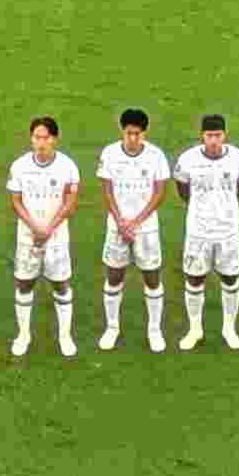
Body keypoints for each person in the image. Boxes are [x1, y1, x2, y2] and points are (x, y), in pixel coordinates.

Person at [170, 113, 239, 351]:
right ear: (202, 136)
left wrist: (226, 207)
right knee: (194, 278)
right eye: (209, 136)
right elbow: (183, 188)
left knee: (230, 278)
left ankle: (229, 328)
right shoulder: (187, 159)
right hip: (198, 231)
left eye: (218, 135)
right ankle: (195, 329)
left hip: (228, 231)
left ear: (224, 135)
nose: (214, 140)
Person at [96, 106, 174, 352]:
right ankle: (112, 327)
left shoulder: (156, 156)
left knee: (152, 278)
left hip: (146, 229)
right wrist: (121, 222)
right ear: (122, 131)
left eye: (137, 134)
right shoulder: (109, 154)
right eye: (128, 133)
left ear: (144, 133)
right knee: (114, 276)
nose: (132, 138)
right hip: (117, 227)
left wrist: (136, 222)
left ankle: (154, 330)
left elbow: (159, 193)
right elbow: (107, 191)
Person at [6, 115, 83, 357]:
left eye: (45, 137)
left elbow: (70, 203)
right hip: (28, 237)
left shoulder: (68, 167)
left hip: (56, 237)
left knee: (60, 284)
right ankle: (23, 335)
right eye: (36, 137)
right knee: (24, 283)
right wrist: (34, 228)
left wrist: (48, 229)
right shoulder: (19, 166)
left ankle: (65, 336)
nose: (40, 142)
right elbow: (16, 202)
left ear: (54, 139)